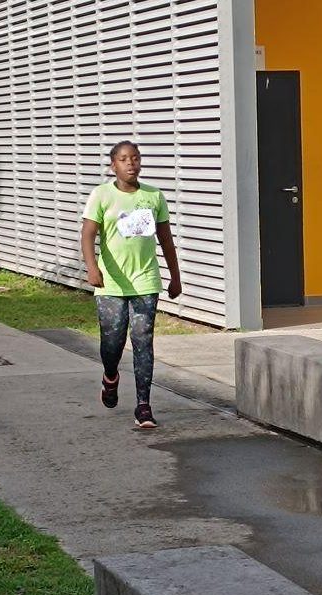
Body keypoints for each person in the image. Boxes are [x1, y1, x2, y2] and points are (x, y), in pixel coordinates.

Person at [80, 140, 182, 429]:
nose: (131, 164)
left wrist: (175, 276)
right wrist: (92, 267)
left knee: (142, 340)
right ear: (113, 165)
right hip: (111, 282)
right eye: (124, 159)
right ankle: (110, 376)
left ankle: (143, 406)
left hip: (145, 280)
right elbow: (87, 234)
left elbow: (166, 240)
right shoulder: (102, 195)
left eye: (135, 158)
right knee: (112, 343)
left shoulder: (153, 196)